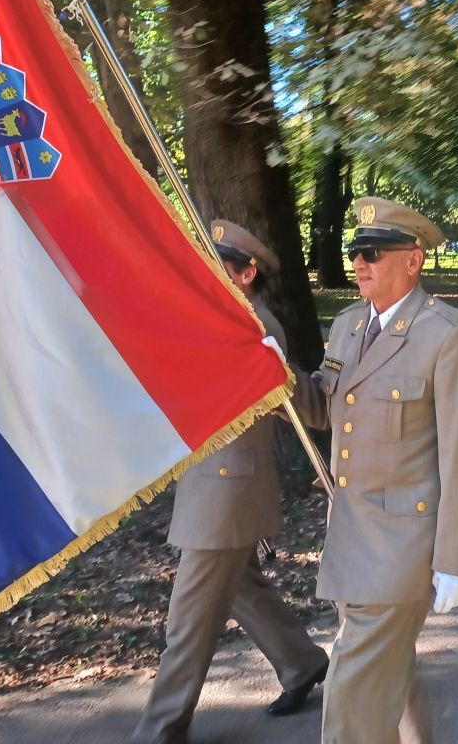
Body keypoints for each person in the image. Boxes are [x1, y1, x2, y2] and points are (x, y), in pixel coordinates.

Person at [292, 196, 458, 744]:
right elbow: (325, 411)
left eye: (374, 252)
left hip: (403, 544)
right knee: (389, 675)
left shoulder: (446, 334)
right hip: (350, 534)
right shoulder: (348, 325)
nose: (359, 262)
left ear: (413, 260)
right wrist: (281, 374)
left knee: (353, 701)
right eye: (356, 251)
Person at [130, 221, 329, 744]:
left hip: (229, 488)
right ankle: (301, 661)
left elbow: (275, 394)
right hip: (212, 482)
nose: (208, 273)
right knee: (240, 587)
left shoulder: (253, 328)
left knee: (188, 623)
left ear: (246, 274)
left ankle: (160, 729)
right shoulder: (220, 320)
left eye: (221, 266)